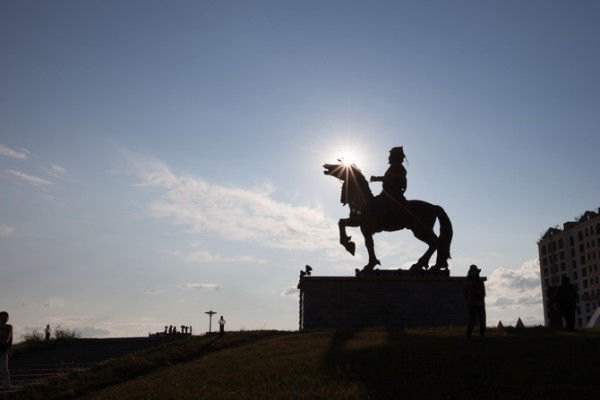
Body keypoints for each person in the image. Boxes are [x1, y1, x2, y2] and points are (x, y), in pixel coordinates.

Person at [464, 265, 486, 339]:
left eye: (476, 272)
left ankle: (482, 335)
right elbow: (465, 292)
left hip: (480, 303)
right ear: (471, 272)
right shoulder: (468, 282)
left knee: (482, 320)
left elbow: (483, 292)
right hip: (472, 303)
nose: (475, 273)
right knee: (472, 320)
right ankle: (468, 335)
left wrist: (481, 296)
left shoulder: (480, 282)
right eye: (474, 272)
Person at [0, 311, 13, 390]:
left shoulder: (8, 327)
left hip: (3, 349)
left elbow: (9, 338)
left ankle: (7, 385)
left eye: (6, 318)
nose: (4, 319)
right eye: (2, 318)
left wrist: (8, 346)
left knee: (4, 368)